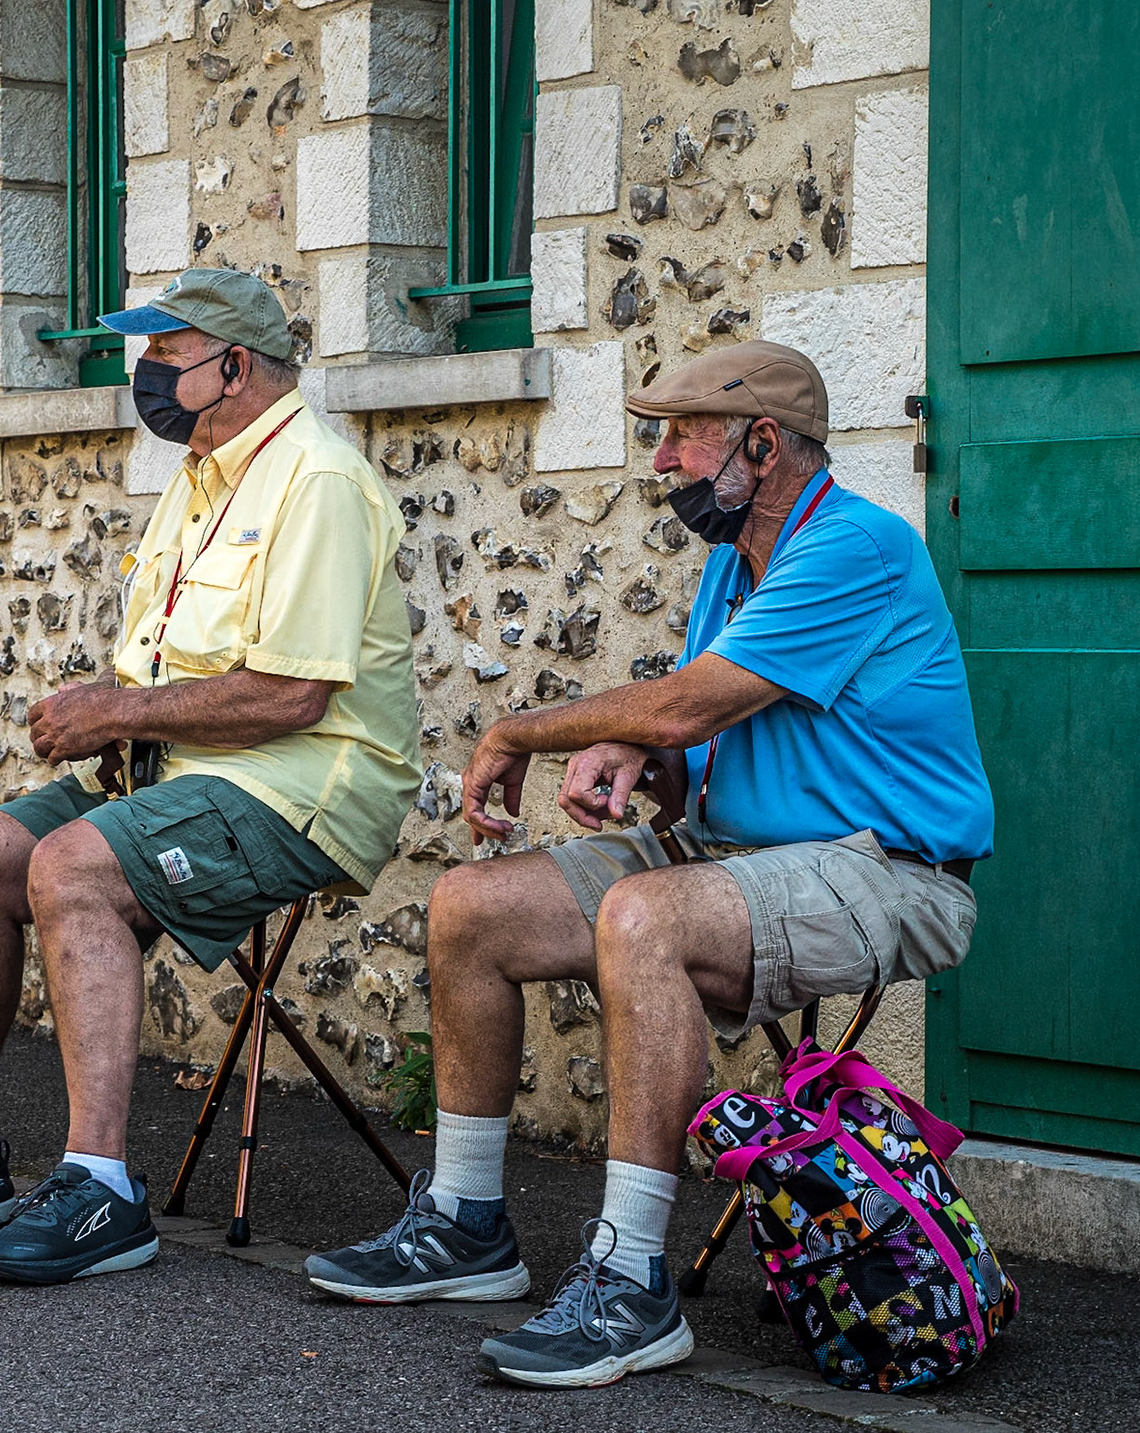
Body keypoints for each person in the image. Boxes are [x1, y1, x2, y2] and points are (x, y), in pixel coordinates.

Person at [304, 341, 994, 1389]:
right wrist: (643, 763)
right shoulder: (731, 560)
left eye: (680, 434)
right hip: (734, 857)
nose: (660, 458)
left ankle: (630, 1282)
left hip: (890, 872)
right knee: (468, 907)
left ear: (762, 444)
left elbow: (692, 699)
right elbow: (705, 727)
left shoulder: (859, 547)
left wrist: (528, 731)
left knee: (642, 916)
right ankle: (465, 1221)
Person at [0, 268, 422, 1285]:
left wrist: (119, 710)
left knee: (75, 867)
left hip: (303, 785)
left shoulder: (315, 478)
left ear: (235, 365)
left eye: (165, 353)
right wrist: (111, 701)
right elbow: (178, 661)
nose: (146, 373)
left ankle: (102, 1190)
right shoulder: (206, 470)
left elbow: (291, 697)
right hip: (176, 769)